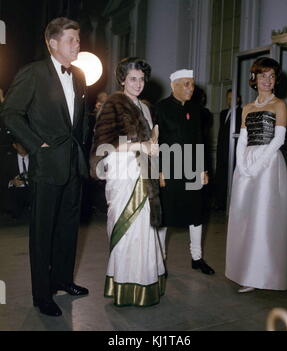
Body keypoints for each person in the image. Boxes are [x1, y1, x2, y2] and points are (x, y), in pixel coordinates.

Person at [1, 17, 89, 316]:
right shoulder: (33, 73)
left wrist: (84, 152)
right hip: (46, 165)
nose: (78, 44)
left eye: (78, 39)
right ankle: (42, 295)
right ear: (52, 43)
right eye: (71, 40)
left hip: (73, 165)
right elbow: (10, 113)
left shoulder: (78, 75)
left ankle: (63, 280)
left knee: (68, 229)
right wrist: (37, 145)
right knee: (42, 233)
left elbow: (80, 121)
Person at [90, 57, 166, 307]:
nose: (138, 83)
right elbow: (103, 143)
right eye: (132, 78)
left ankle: (144, 282)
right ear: (122, 79)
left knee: (145, 230)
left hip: (144, 171)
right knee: (127, 230)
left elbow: (151, 141)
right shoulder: (113, 103)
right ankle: (124, 284)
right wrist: (139, 145)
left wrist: (154, 156)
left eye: (141, 79)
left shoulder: (145, 107)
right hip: (123, 172)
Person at [225, 57, 287, 293]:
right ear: (254, 79)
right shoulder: (247, 108)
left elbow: (279, 140)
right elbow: (242, 140)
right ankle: (245, 271)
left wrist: (257, 167)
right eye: (263, 75)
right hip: (246, 165)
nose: (267, 80)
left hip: (269, 165)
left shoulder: (279, 105)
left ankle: (263, 275)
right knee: (245, 218)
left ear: (276, 80)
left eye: (272, 76)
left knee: (264, 221)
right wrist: (242, 166)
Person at [156, 69, 215, 275]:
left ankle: (197, 258)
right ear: (174, 86)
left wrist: (204, 169)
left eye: (192, 84)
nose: (191, 88)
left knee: (196, 213)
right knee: (165, 216)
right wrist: (159, 172)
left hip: (192, 169)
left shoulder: (197, 110)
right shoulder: (160, 108)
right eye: (186, 84)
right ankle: (160, 261)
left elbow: (201, 140)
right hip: (169, 170)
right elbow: (155, 143)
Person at [214, 89, 242, 210]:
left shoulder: (242, 113)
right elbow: (221, 133)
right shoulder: (223, 113)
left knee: (233, 179)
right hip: (222, 152)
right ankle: (220, 203)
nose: (230, 100)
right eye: (228, 98)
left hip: (234, 152)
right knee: (221, 178)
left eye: (233, 98)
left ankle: (232, 205)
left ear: (238, 99)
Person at [0, 141, 30, 219]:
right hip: (15, 192)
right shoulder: (7, 160)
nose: (23, 146)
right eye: (20, 144)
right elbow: (2, 178)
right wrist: (12, 182)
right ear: (14, 146)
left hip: (32, 190)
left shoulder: (35, 159)